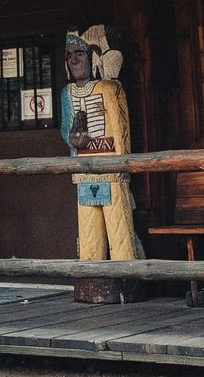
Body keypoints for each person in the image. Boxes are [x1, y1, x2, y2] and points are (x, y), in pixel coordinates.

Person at [59, 27, 143, 268]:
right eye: (69, 55)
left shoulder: (110, 88)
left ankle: (126, 272)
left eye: (79, 54)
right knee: (88, 228)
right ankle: (90, 272)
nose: (73, 60)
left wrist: (122, 162)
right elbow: (66, 126)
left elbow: (120, 128)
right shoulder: (67, 92)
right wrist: (72, 139)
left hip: (111, 164)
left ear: (95, 57)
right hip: (83, 165)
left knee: (118, 224)